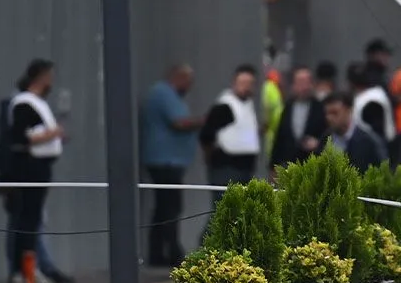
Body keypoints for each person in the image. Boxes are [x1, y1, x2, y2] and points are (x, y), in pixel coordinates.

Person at [5, 59, 71, 283]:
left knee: (33, 218)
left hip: (41, 166)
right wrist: (53, 134)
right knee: (27, 218)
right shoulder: (24, 103)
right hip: (30, 167)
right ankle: (23, 269)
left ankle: (30, 267)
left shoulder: (38, 103)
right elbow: (24, 136)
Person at [140, 63, 204, 267]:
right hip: (165, 161)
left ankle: (159, 253)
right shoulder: (164, 93)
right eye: (188, 81)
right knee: (170, 208)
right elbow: (178, 122)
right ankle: (172, 251)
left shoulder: (166, 95)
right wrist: (203, 121)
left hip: (168, 160)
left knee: (163, 208)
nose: (190, 86)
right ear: (178, 77)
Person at [197, 64, 262, 202]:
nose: (247, 87)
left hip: (245, 168)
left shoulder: (247, 104)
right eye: (243, 83)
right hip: (226, 168)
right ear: (234, 83)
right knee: (223, 211)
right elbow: (206, 135)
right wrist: (212, 159)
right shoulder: (225, 106)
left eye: (250, 84)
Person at [268, 66, 330, 172]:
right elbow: (280, 137)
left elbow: (330, 134)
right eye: (301, 82)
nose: (305, 87)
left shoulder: (321, 108)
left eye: (308, 82)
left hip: (313, 164)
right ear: (293, 85)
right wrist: (273, 166)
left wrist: (319, 144)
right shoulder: (288, 107)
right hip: (289, 165)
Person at [325, 91, 388, 168]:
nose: (329, 118)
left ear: (348, 111)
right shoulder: (325, 139)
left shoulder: (369, 142)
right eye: (327, 113)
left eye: (335, 113)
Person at [348, 63, 393, 144]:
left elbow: (377, 131)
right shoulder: (378, 93)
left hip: (376, 148)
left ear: (351, 83)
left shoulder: (370, 99)